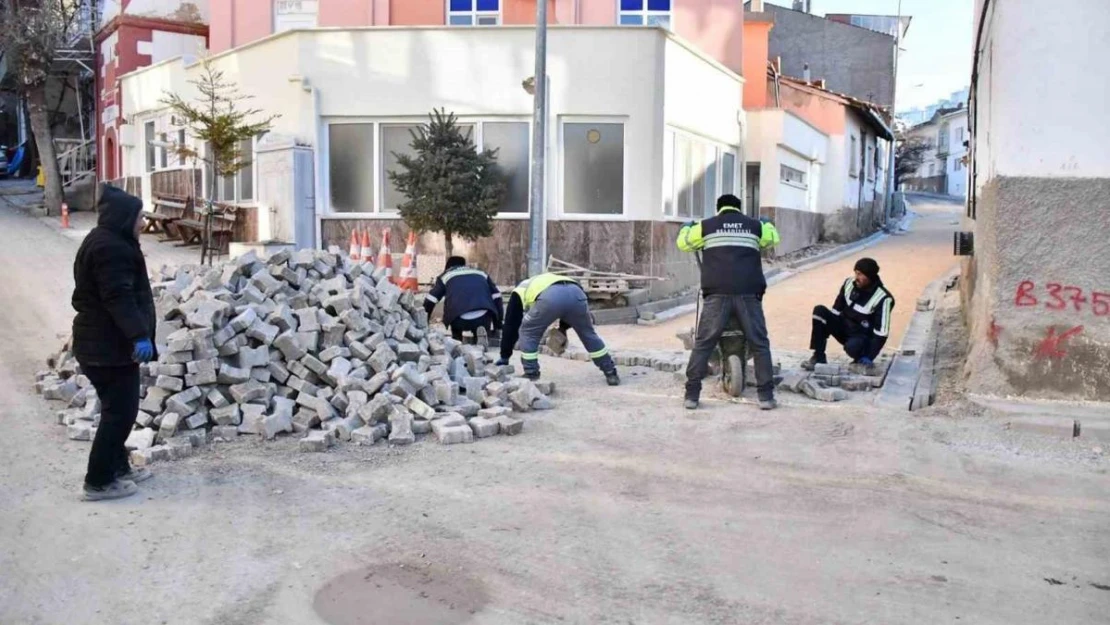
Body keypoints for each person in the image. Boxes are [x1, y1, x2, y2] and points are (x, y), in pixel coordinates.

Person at [71, 185, 158, 501]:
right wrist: (139, 336)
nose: (142, 222)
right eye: (139, 216)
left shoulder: (107, 239)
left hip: (103, 344)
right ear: (125, 217)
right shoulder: (112, 248)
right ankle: (98, 482)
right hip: (108, 347)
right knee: (119, 414)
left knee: (117, 410)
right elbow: (117, 297)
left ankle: (118, 468)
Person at [677, 194, 780, 411]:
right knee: (760, 344)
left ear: (719, 208)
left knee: (704, 343)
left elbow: (683, 243)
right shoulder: (754, 226)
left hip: (717, 294)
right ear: (739, 208)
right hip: (748, 294)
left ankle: (692, 395)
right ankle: (766, 396)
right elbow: (772, 238)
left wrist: (687, 228)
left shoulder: (706, 226)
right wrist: (767, 223)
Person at [497, 273, 620, 386]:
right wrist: (562, 329)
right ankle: (610, 372)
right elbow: (568, 307)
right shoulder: (547, 279)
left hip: (551, 298)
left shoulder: (519, 291)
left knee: (528, 331)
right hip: (577, 293)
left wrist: (505, 356)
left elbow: (511, 325)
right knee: (588, 334)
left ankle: (531, 372)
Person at [803, 257, 895, 371]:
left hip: (861, 337)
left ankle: (860, 359)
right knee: (819, 312)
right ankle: (819, 357)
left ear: (870, 276)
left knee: (853, 347)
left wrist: (870, 356)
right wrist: (827, 327)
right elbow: (836, 310)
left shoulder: (884, 298)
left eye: (861, 275)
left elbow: (881, 334)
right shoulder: (849, 284)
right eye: (856, 273)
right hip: (844, 328)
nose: (857, 278)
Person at [423, 256, 503, 346]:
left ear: (448, 267)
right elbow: (497, 297)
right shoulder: (481, 273)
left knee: (456, 320)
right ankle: (479, 338)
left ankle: (457, 340)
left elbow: (431, 300)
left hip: (459, 318)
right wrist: (498, 325)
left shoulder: (446, 276)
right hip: (483, 316)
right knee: (480, 321)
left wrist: (423, 323)